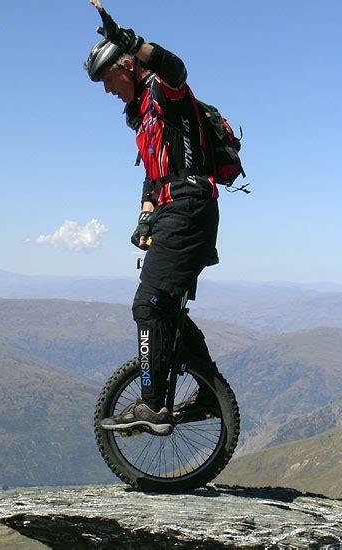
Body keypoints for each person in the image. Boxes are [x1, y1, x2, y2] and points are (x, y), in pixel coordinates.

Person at [86, 1, 220, 434]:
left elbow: (177, 67)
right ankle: (208, 393)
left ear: (127, 66)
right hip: (172, 210)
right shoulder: (143, 112)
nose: (107, 89)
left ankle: (152, 406)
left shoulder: (166, 91)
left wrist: (131, 40)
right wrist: (146, 216)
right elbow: (154, 171)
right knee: (169, 312)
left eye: (108, 79)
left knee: (147, 306)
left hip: (189, 208)